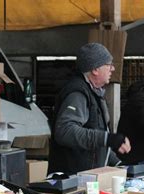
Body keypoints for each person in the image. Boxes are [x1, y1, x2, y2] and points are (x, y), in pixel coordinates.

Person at [48, 43, 131, 175]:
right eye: (109, 65)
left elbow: (95, 147)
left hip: (86, 178)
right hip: (71, 180)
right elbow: (65, 131)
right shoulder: (78, 93)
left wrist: (118, 164)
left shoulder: (95, 94)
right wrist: (107, 138)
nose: (113, 69)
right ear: (95, 69)